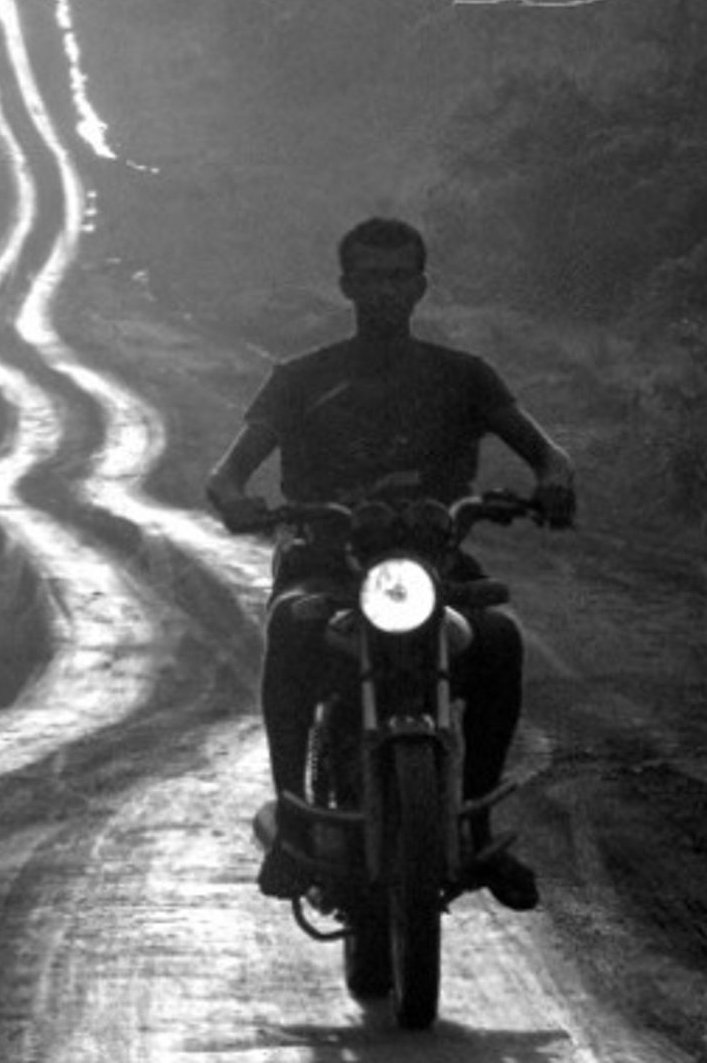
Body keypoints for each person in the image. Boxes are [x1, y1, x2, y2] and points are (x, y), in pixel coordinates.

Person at [205, 215, 576, 910]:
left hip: (433, 564)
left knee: (497, 639)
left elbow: (546, 453)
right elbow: (227, 473)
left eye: (398, 276)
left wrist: (553, 482)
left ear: (420, 286)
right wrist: (234, 501)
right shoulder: (300, 379)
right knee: (290, 625)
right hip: (325, 562)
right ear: (345, 285)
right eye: (370, 277)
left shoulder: (463, 376)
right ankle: (292, 823)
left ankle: (474, 825)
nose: (384, 290)